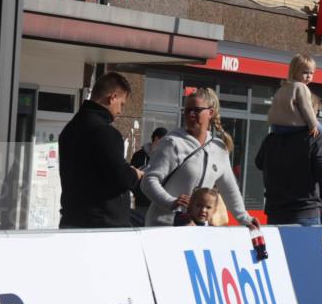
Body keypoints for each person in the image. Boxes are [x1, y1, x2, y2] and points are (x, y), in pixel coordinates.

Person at [141, 88, 257, 229]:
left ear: (210, 113)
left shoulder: (219, 147)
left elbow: (229, 189)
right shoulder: (172, 142)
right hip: (164, 226)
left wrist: (245, 219)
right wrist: (171, 202)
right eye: (187, 110)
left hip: (197, 229)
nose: (191, 114)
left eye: (196, 110)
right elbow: (148, 181)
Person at [59, 72, 143, 228]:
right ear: (112, 97)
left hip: (72, 219)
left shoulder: (69, 130)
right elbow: (120, 177)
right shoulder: (104, 132)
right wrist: (134, 174)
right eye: (122, 104)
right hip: (101, 225)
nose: (120, 111)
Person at [255, 101, 322, 226]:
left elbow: (259, 163)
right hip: (304, 212)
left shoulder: (271, 138)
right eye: (315, 113)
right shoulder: (315, 139)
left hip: (275, 212)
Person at [269, 53, 322, 137]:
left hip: (276, 127)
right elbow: (306, 108)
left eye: (311, 73)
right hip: (293, 127)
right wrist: (313, 125)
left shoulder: (281, 89)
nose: (309, 76)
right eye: (305, 72)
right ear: (294, 71)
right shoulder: (301, 87)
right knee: (320, 128)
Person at [130, 127, 168, 223]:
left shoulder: (164, 156)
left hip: (157, 201)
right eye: (163, 141)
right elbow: (133, 173)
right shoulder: (139, 155)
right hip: (142, 200)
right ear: (156, 139)